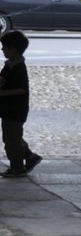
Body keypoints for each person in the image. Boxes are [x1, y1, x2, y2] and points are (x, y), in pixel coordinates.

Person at [0, 30, 42, 177]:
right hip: (8, 109)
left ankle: (17, 167)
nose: (2, 50)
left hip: (15, 109)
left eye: (4, 47)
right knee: (13, 137)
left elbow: (21, 89)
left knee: (11, 139)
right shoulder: (11, 65)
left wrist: (2, 93)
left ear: (13, 50)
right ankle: (30, 157)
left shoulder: (18, 68)